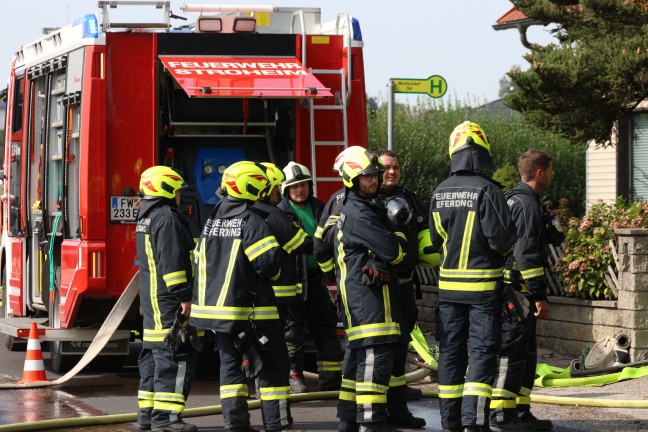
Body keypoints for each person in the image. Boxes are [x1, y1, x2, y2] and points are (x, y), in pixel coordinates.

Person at [189, 161, 292, 432]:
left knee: (231, 371)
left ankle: (236, 426)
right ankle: (276, 424)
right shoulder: (251, 220)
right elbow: (268, 264)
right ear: (253, 186)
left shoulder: (212, 219)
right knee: (274, 368)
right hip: (255, 313)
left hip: (221, 316)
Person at [430, 121, 517, 432]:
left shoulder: (438, 191)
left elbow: (435, 240)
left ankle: (450, 423)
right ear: (482, 154)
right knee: (481, 352)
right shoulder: (489, 190)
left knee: (451, 353)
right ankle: (472, 423)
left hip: (448, 291)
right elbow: (501, 241)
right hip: (482, 291)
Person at [334, 148, 408, 432]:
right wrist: (400, 232)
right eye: (366, 177)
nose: (373, 181)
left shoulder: (360, 208)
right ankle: (372, 421)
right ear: (352, 180)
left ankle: (349, 419)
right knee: (375, 360)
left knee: (357, 360)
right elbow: (394, 251)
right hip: (367, 299)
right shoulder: (359, 214)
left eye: (374, 175)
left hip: (363, 296)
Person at [489, 151, 556, 432]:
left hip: (511, 290)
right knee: (513, 354)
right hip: (519, 293)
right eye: (550, 171)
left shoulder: (512, 198)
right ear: (539, 172)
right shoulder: (526, 204)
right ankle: (501, 416)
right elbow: (526, 253)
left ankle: (520, 410)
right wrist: (539, 295)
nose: (553, 176)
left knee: (526, 355)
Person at [374, 150, 435, 430]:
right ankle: (376, 411)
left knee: (400, 347)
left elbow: (427, 230)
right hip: (379, 287)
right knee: (381, 350)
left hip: (406, 284)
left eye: (396, 167)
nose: (392, 172)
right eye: (386, 168)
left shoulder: (409, 197)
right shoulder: (368, 201)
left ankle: (397, 409)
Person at [135, 166, 199, 432]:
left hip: (152, 303)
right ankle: (167, 419)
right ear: (166, 190)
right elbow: (172, 265)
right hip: (168, 303)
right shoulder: (166, 219)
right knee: (175, 358)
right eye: (176, 191)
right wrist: (184, 297)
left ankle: (148, 416)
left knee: (152, 358)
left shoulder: (146, 217)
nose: (179, 197)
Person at [277, 161, 344, 393]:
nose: (299, 190)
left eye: (304, 185)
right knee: (291, 333)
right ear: (285, 189)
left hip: (315, 280)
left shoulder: (321, 208)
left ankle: (332, 382)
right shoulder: (280, 213)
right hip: (291, 280)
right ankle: (295, 376)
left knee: (325, 329)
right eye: (294, 186)